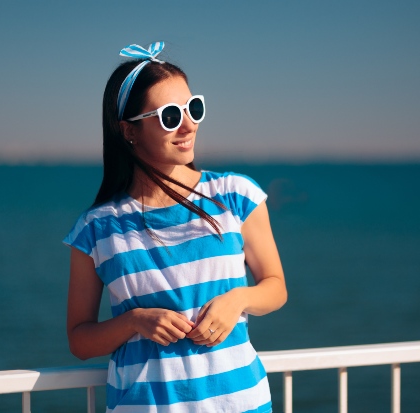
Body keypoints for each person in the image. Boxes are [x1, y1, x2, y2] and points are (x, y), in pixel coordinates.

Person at [64, 42, 287, 413]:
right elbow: (80, 340)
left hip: (240, 403)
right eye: (169, 115)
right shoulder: (96, 229)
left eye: (193, 108)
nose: (188, 124)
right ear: (128, 131)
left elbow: (275, 287)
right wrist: (135, 322)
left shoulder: (235, 195)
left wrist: (238, 300)